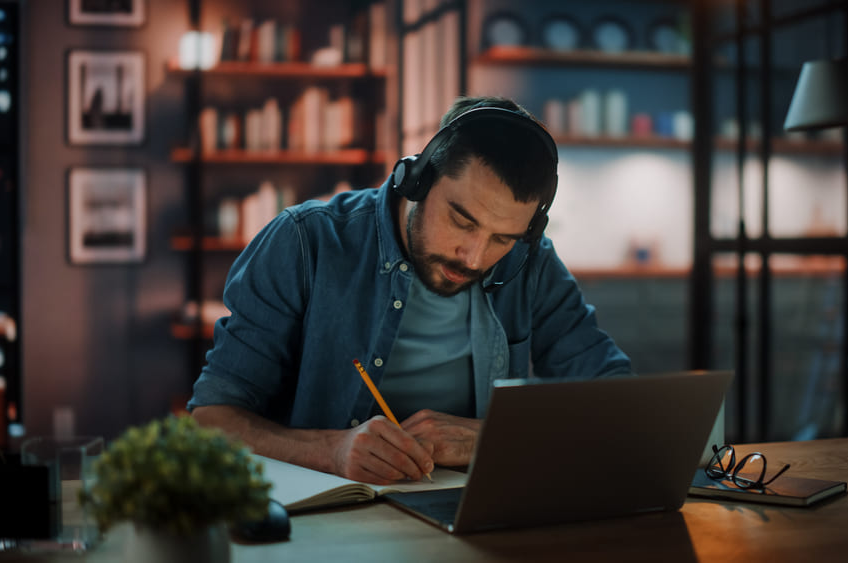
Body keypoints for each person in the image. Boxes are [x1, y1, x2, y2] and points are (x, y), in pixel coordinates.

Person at [189, 96, 631, 485]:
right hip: (331, 516)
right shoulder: (304, 242)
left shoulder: (529, 263)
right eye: (462, 220)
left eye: (502, 238)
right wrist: (334, 451)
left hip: (471, 511)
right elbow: (213, 419)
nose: (474, 257)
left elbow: (616, 400)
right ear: (416, 180)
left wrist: (490, 438)